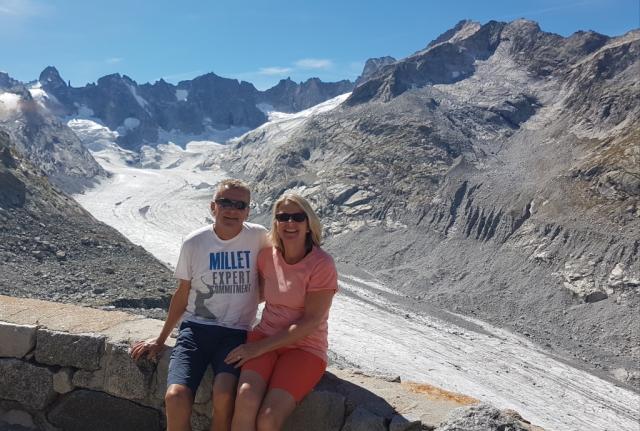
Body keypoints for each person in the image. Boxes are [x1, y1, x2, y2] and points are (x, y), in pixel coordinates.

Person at [130, 179, 269, 431]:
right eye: (225, 202)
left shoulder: (259, 236)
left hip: (236, 334)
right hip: (195, 330)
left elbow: (283, 266)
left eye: (240, 205)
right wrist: (161, 340)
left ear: (248, 211)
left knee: (224, 394)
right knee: (175, 396)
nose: (232, 210)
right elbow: (182, 294)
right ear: (213, 206)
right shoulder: (194, 242)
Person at [225, 193, 338, 431]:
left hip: (305, 348)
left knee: (269, 418)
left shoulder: (322, 264)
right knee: (245, 399)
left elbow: (311, 321)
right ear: (275, 222)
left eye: (297, 217)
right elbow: (256, 295)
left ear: (309, 223)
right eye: (283, 217)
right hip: (264, 336)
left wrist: (257, 348)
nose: (290, 223)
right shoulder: (267, 256)